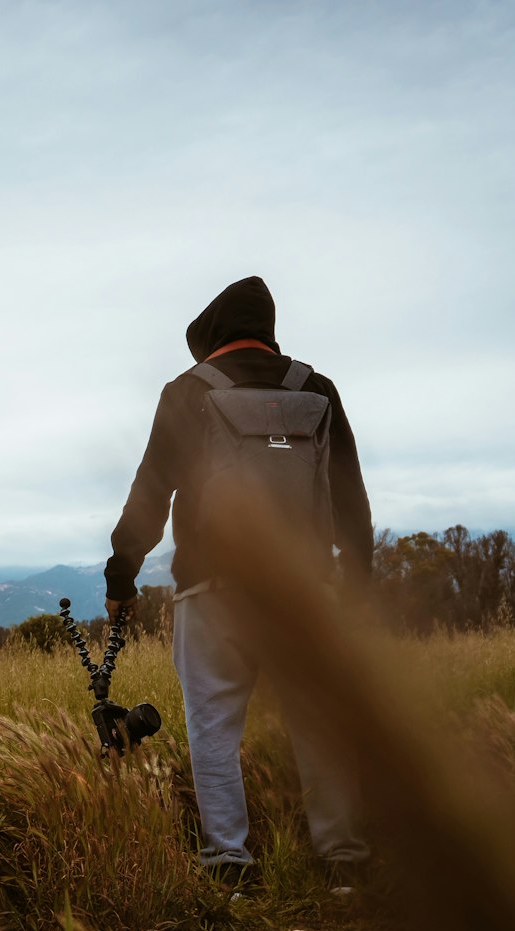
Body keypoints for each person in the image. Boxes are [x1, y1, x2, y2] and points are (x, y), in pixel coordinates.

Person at [102, 275, 373, 891]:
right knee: (320, 723)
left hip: (211, 590)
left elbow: (149, 495)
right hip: (308, 593)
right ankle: (344, 861)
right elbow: (351, 502)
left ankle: (229, 863)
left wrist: (122, 577)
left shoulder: (187, 391)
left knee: (213, 727)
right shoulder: (317, 388)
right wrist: (356, 588)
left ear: (212, 335)